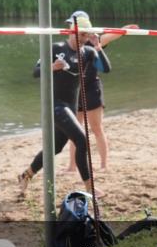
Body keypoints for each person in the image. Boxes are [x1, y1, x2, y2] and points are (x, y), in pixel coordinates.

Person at [19, 14, 110, 198]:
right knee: (82, 140)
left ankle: (25, 175)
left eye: (86, 35)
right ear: (72, 32)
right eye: (81, 35)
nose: (84, 39)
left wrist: (97, 45)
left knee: (55, 147)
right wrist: (52, 67)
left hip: (71, 106)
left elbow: (106, 68)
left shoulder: (88, 52)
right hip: (56, 106)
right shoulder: (56, 48)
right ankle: (90, 188)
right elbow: (35, 72)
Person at [63, 11, 139, 173]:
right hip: (75, 92)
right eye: (71, 24)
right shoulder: (69, 45)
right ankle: (71, 166)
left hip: (92, 90)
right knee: (74, 131)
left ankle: (104, 165)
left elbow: (110, 36)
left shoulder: (92, 42)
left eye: (74, 24)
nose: (72, 27)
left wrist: (124, 29)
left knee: (96, 129)